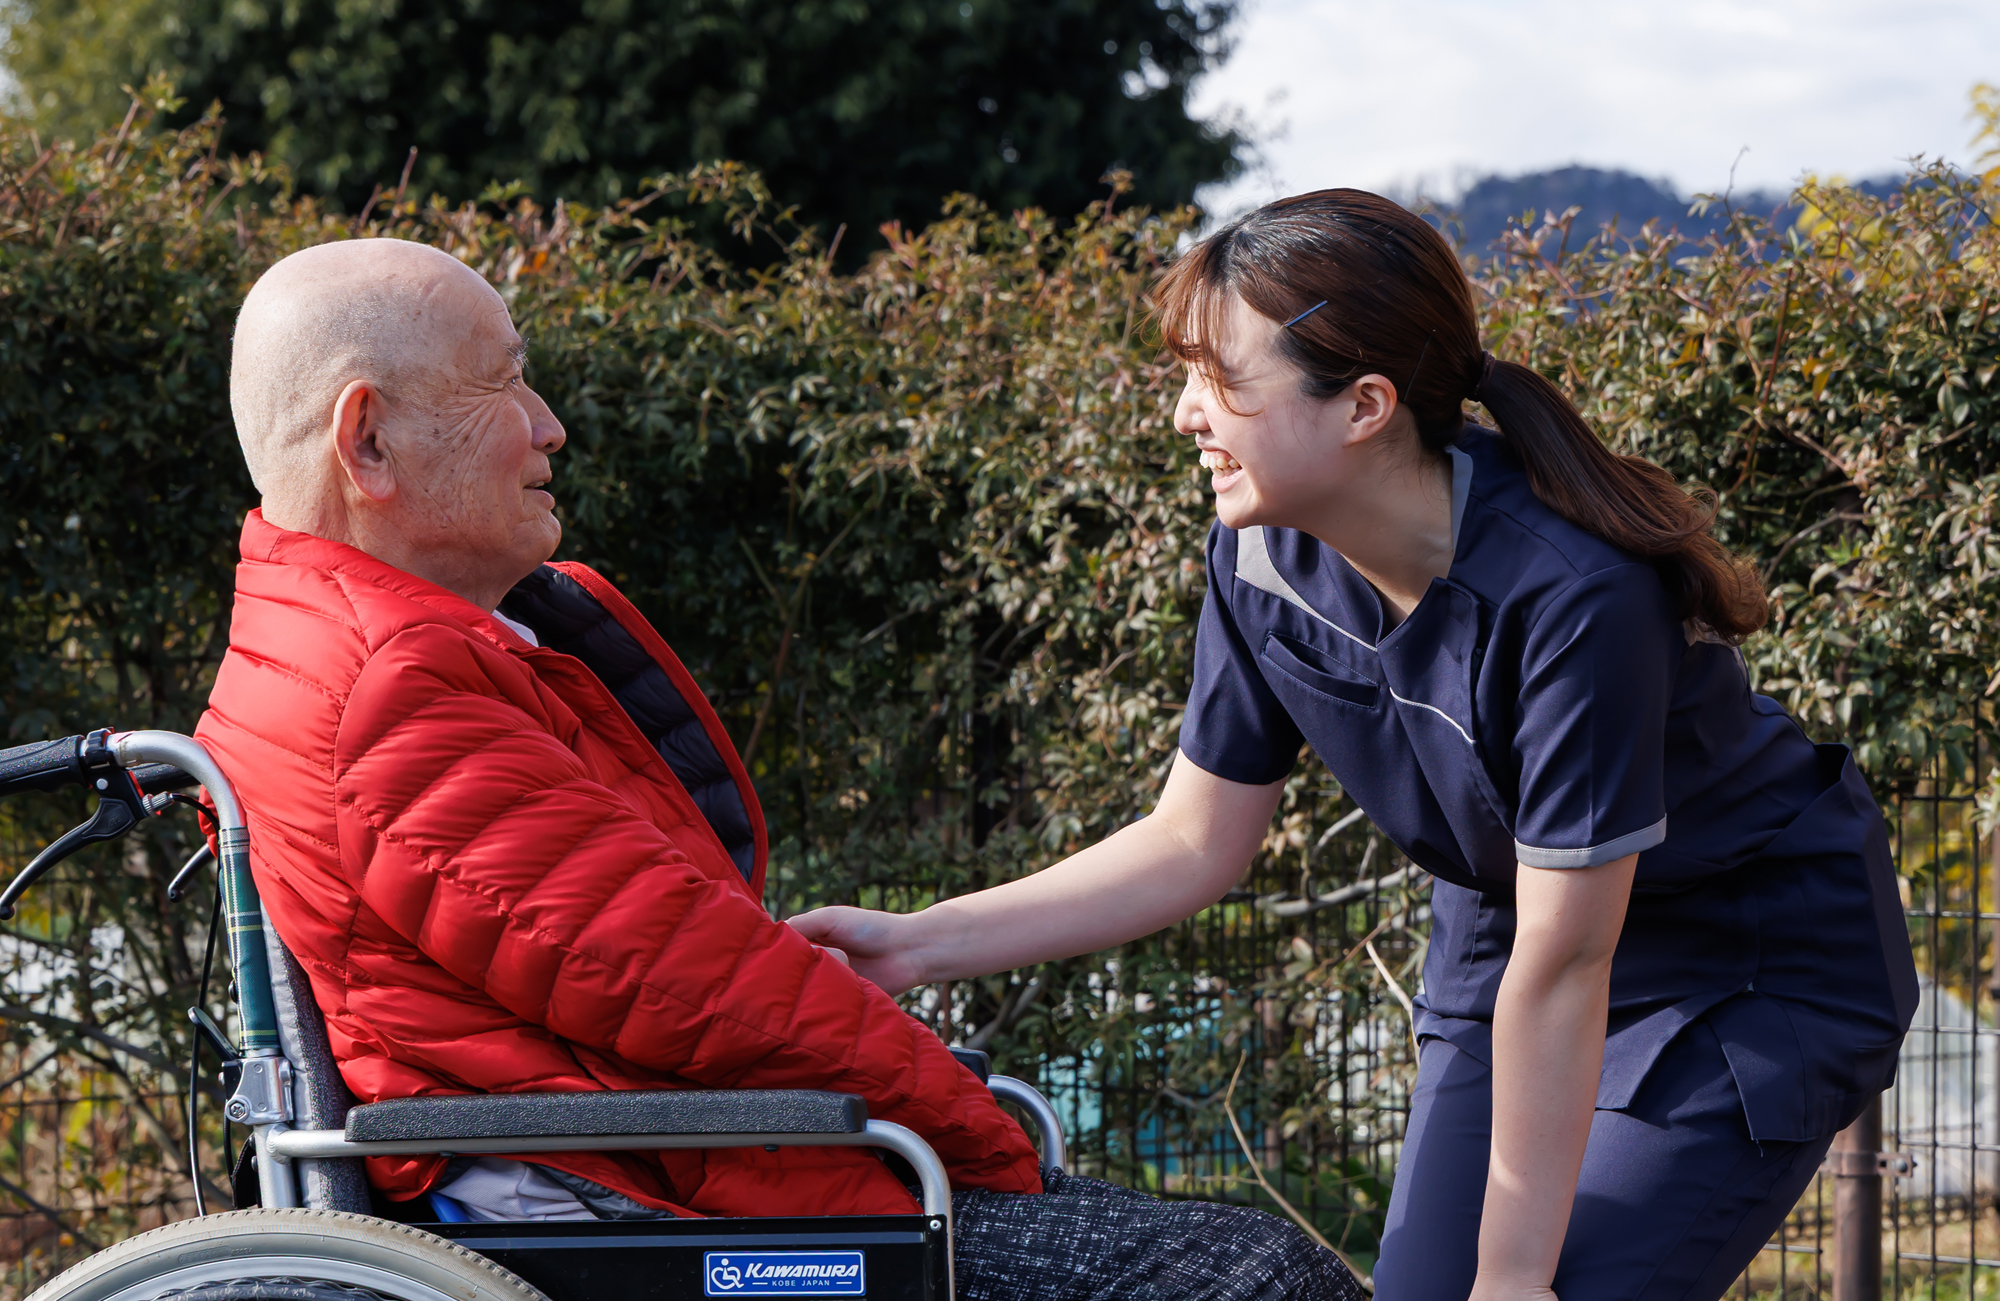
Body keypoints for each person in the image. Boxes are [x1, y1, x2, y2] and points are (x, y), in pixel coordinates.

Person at [790, 190, 1920, 1301]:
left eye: (1217, 378)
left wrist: (1515, 1274)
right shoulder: (1258, 560)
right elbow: (1190, 840)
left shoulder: (1574, 595)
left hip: (1739, 963)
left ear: (1363, 405)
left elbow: (1570, 956)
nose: (1186, 413)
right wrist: (918, 943)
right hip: (1507, 937)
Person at [194, 237, 1365, 1301]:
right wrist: (965, 1127)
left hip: (631, 1153)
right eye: (501, 381)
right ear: (369, 440)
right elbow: (688, 983)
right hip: (639, 1202)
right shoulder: (393, 689)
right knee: (1250, 1277)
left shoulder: (348, 647)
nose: (547, 423)